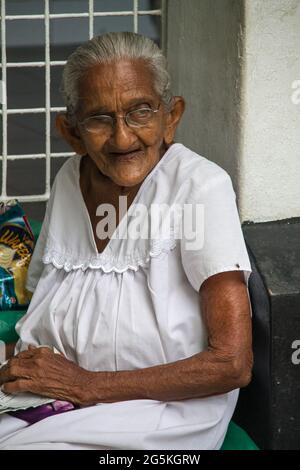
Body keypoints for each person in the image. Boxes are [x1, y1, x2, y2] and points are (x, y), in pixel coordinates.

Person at [0, 32, 253, 450]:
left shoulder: (200, 187)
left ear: (171, 117)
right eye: (99, 118)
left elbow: (232, 364)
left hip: (160, 410)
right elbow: (50, 297)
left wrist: (86, 385)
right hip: (55, 398)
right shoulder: (70, 178)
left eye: (140, 112)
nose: (122, 139)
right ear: (72, 131)